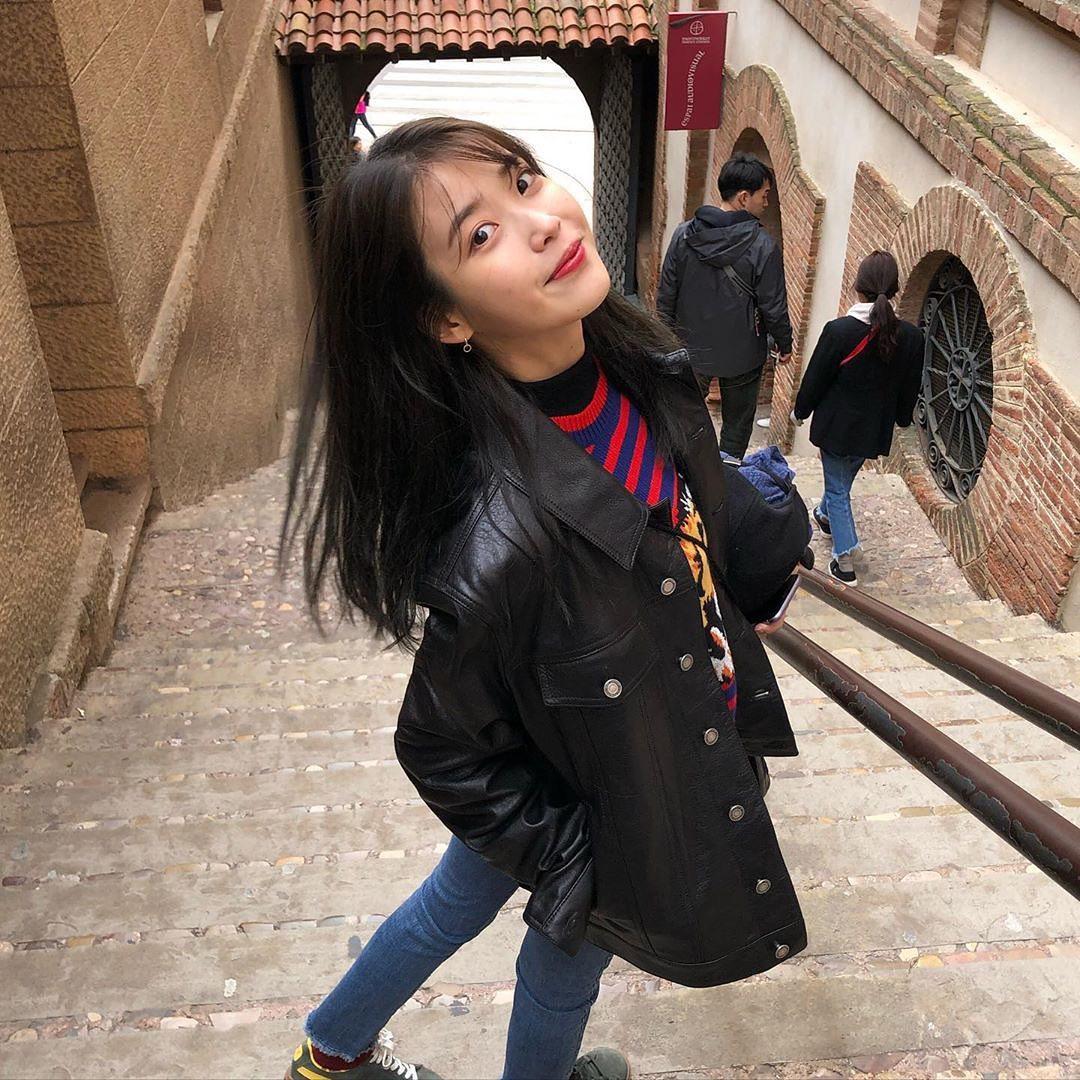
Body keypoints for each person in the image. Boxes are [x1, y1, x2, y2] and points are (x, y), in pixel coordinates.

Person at [281, 117, 807, 1080]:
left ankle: (330, 1052)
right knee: (567, 953)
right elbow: (437, 745)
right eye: (480, 233)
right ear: (446, 319)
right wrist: (572, 853)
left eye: (523, 179)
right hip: (585, 781)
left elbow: (674, 527)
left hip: (601, 723)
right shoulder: (502, 535)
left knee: (455, 901)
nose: (543, 220)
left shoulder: (639, 368)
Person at [792, 250, 924, 586]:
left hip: (836, 428)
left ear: (858, 286)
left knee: (838, 490)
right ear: (894, 289)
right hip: (873, 432)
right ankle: (824, 515)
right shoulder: (911, 337)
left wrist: (800, 411)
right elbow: (910, 385)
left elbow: (816, 377)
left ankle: (845, 559)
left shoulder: (838, 331)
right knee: (839, 483)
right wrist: (902, 418)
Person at [656, 152, 794, 462]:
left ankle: (685, 468)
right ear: (744, 197)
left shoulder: (683, 234)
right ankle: (728, 475)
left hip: (690, 347)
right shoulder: (763, 246)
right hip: (742, 354)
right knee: (737, 426)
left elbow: (666, 295)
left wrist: (665, 342)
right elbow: (773, 306)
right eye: (764, 195)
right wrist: (784, 344)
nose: (767, 202)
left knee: (685, 416)